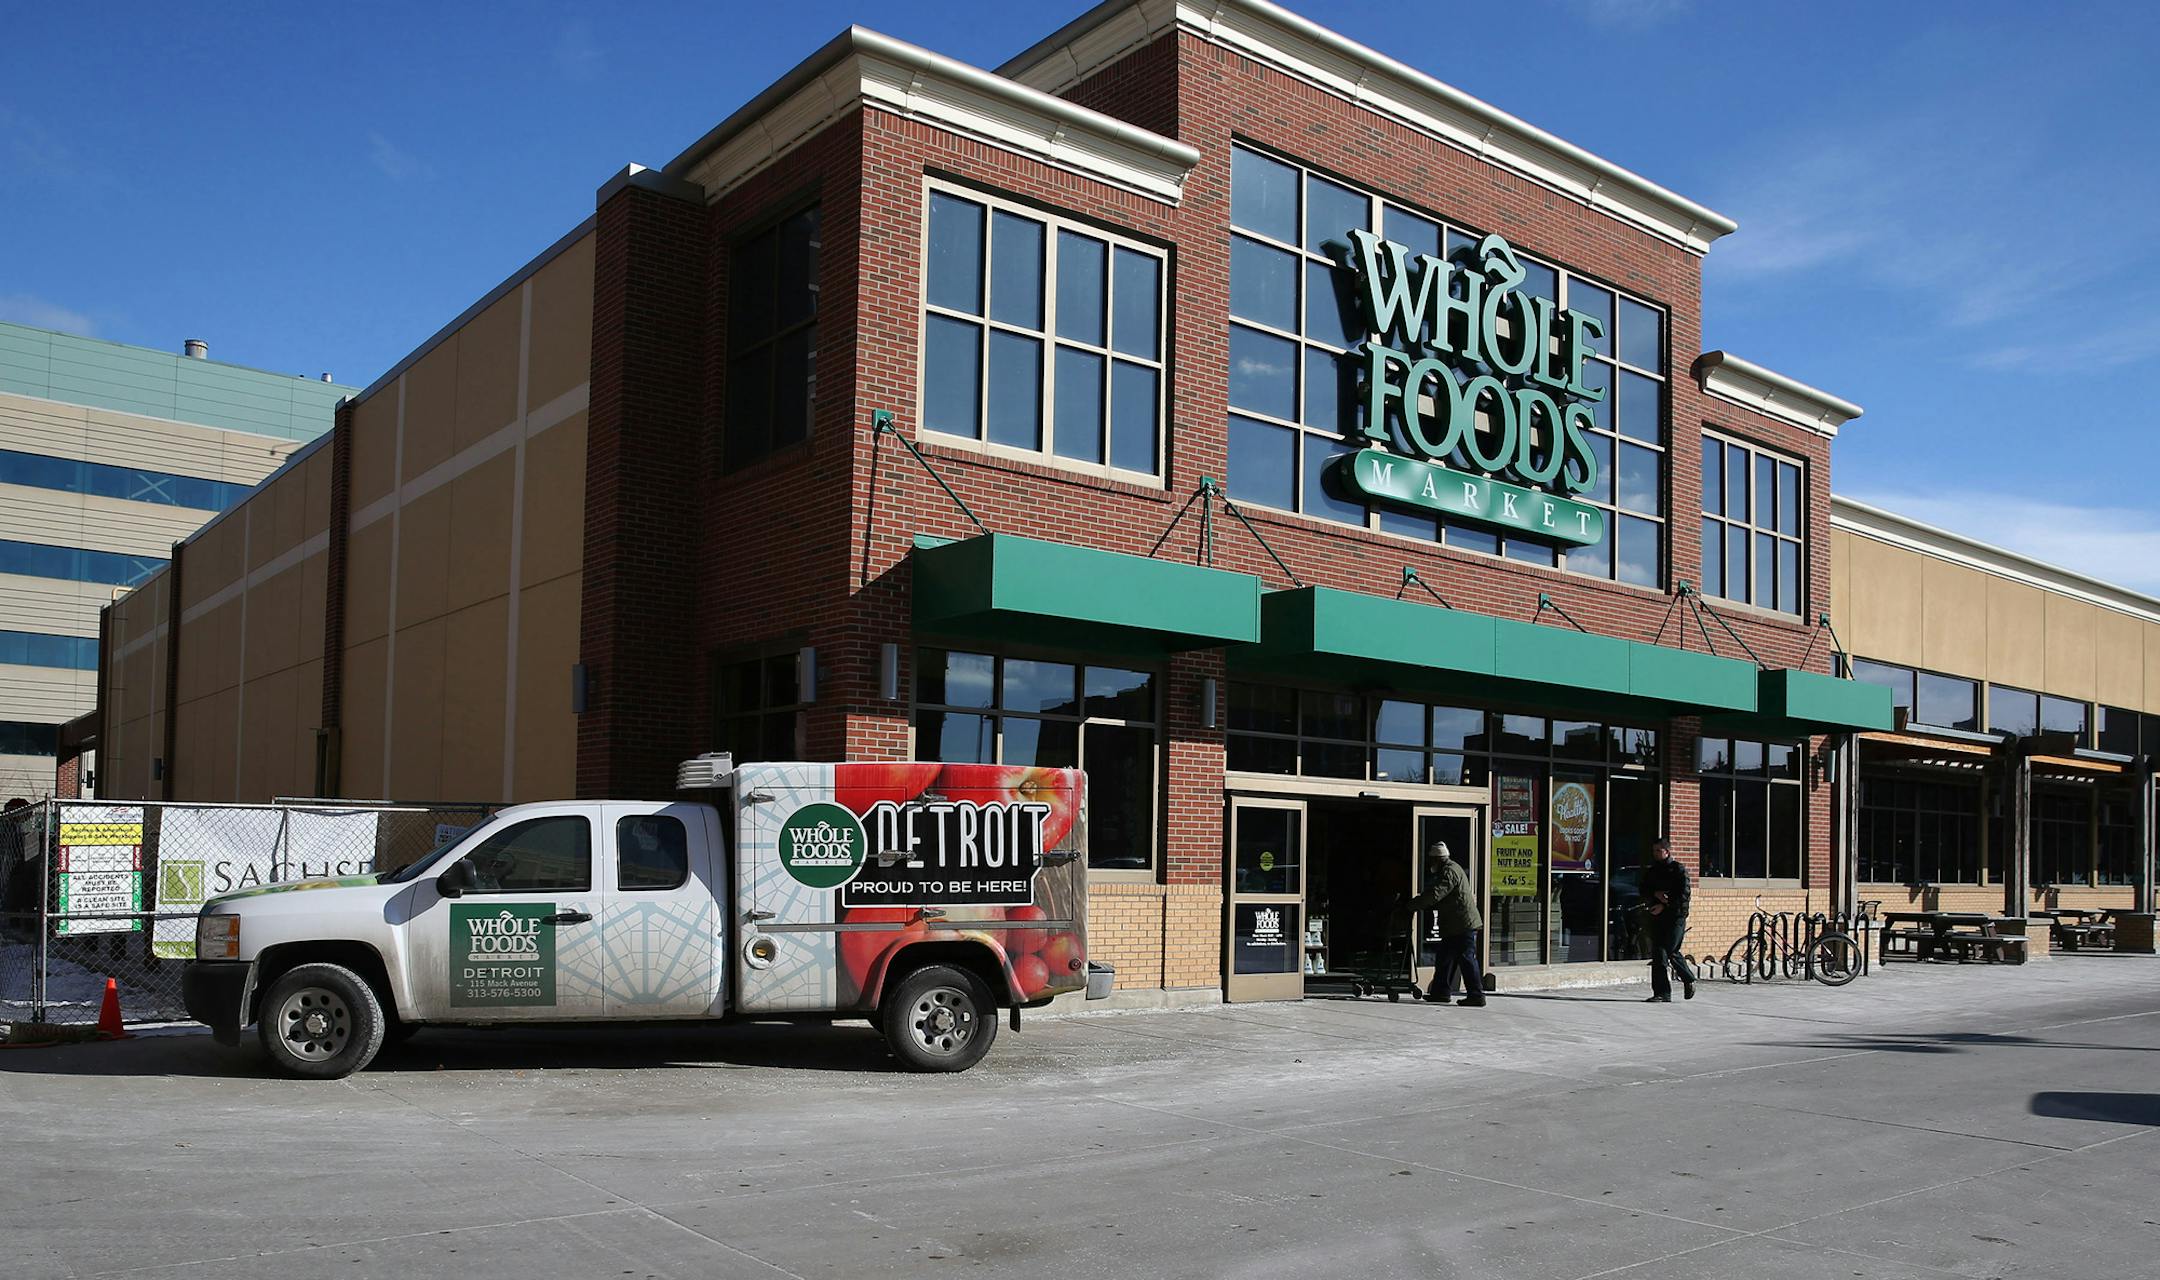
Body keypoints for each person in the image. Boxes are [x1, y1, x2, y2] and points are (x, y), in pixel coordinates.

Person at [1409, 842, 1484, 1007]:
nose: (1430, 864)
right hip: (1454, 925)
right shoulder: (1450, 869)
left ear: (1437, 859)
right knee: (1444, 959)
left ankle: (1476, 995)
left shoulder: (1449, 872)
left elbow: (1436, 894)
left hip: (1463, 924)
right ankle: (1440, 993)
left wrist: (1412, 905)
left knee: (1466, 959)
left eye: (1431, 860)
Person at [1641, 837, 1696, 1002]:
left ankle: (1688, 978)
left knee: (1670, 949)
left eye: (1659, 851)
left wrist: (1666, 903)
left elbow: (1684, 895)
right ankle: (1662, 992)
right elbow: (1644, 889)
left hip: (1676, 917)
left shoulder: (1678, 870)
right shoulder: (1652, 871)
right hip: (1657, 916)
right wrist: (1654, 896)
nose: (1656, 854)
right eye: (1654, 851)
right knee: (1658, 954)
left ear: (1667, 851)